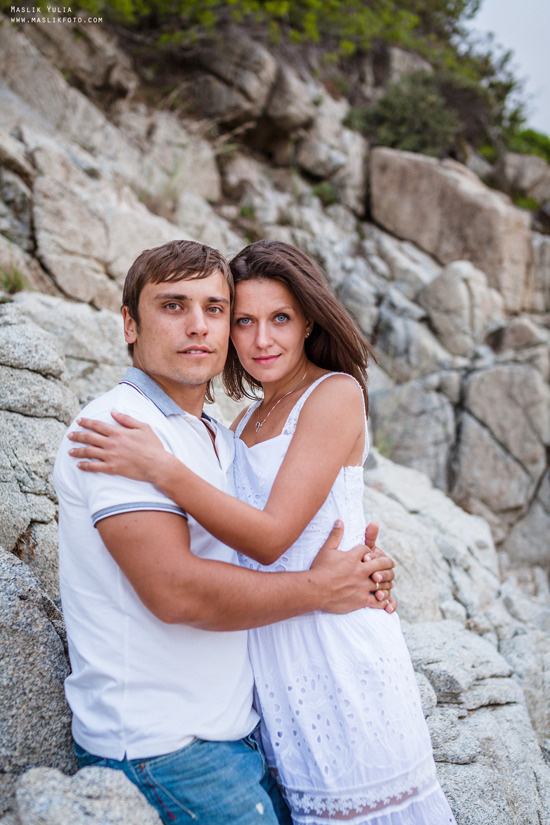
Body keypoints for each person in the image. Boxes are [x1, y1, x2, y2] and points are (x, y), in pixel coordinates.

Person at [69, 240, 456, 825]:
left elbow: (275, 533)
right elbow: (221, 547)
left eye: (279, 318)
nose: (259, 339)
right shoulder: (223, 423)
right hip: (259, 669)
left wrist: (161, 469)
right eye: (244, 321)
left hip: (328, 649)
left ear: (308, 323)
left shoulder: (329, 394)